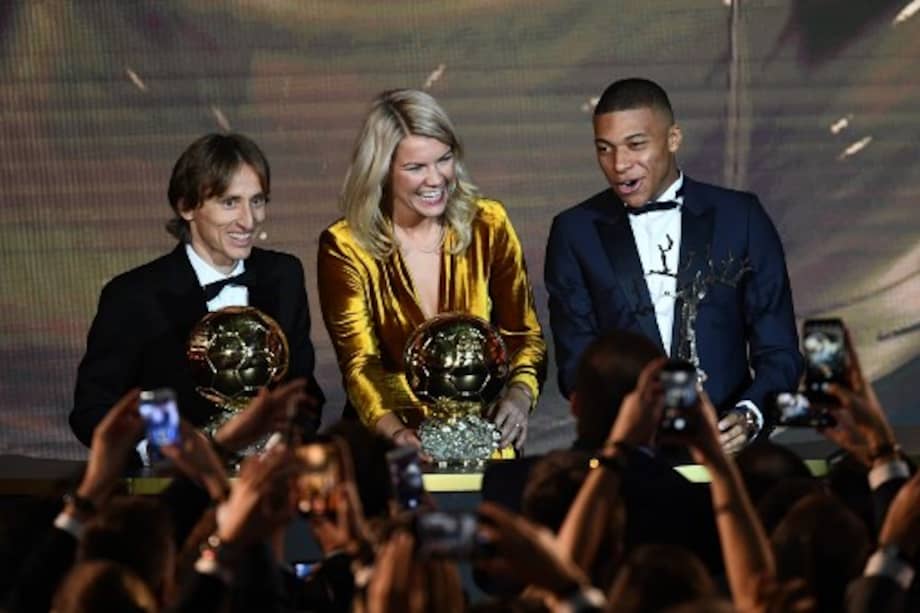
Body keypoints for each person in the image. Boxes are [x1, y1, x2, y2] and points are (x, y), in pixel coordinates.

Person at [545, 77, 802, 452]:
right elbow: (576, 362)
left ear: (673, 138)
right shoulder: (574, 232)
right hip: (627, 463)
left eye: (636, 145)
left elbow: (779, 350)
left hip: (729, 455)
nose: (618, 165)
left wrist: (750, 415)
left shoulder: (740, 217)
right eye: (605, 149)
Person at [317, 89, 546, 451]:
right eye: (415, 167)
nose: (436, 179)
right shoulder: (345, 245)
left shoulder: (490, 224)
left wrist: (520, 395)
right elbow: (360, 365)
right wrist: (395, 434)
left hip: (483, 440)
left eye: (444, 159)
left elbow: (523, 336)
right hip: (390, 446)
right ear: (382, 171)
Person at [70, 133, 324, 449]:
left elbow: (304, 392)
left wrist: (285, 435)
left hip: (264, 483)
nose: (248, 221)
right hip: (176, 488)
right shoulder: (133, 296)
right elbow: (93, 410)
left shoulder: (283, 276)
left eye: (256, 201)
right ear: (187, 206)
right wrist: (173, 451)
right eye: (230, 203)